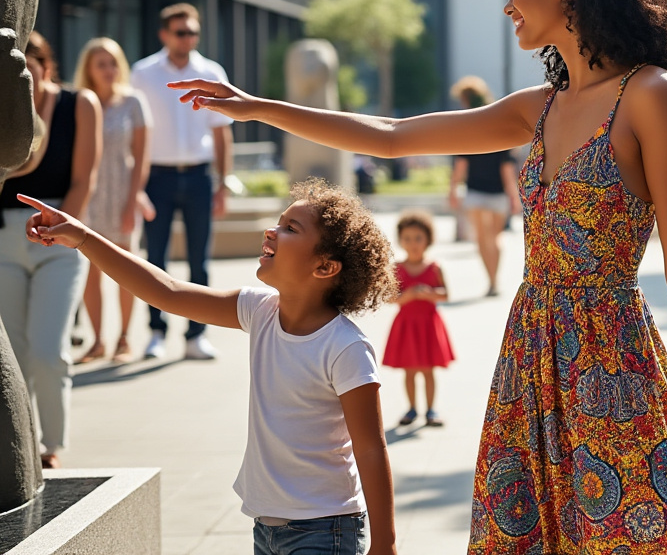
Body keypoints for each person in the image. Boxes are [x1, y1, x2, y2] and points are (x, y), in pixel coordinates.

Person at [167, 0, 667, 553]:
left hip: (611, 362)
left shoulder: (649, 95)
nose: (507, 3)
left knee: (637, 534)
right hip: (529, 355)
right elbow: (392, 135)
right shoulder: (538, 106)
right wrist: (259, 107)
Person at [20, 179, 397, 554]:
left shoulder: (345, 346)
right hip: (266, 527)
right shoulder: (259, 311)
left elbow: (370, 449)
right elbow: (164, 291)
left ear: (325, 267)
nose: (272, 230)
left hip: (325, 530)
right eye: (279, 221)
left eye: (290, 228)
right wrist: (84, 237)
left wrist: (385, 543)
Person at [0, 32, 102, 469]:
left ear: (45, 63)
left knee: (48, 349)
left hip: (59, 230)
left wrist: (65, 232)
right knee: (14, 354)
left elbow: (84, 178)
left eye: (33, 60)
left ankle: (51, 446)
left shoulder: (79, 104)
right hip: (4, 234)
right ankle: (20, 447)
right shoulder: (6, 108)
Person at [131, 3, 233, 362]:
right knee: (154, 258)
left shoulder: (211, 71)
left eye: (192, 32)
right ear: (164, 35)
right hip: (156, 176)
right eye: (180, 32)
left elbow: (222, 135)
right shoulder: (141, 73)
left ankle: (196, 335)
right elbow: (134, 132)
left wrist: (223, 185)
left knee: (198, 260)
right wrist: (137, 186)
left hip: (199, 176)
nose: (187, 38)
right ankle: (156, 333)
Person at [74, 37, 154, 364]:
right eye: (101, 64)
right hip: (88, 197)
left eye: (113, 63)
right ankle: (97, 342)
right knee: (90, 271)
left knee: (125, 269)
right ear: (88, 69)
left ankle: (124, 339)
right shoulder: (80, 101)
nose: (108, 70)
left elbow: (141, 157)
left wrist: (132, 200)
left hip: (121, 194)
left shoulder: (134, 102)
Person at [447, 76, 521, 297]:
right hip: (498, 192)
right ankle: (494, 281)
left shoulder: (467, 127)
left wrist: (452, 189)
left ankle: (491, 281)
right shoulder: (498, 125)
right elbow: (506, 166)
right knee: (495, 238)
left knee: (482, 238)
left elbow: (461, 165)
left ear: (466, 99)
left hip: (476, 191)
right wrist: (513, 196)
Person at [383, 211, 452, 428]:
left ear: (428, 240)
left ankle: (431, 409)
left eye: (418, 238)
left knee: (428, 369)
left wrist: (428, 293)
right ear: (400, 241)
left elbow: (445, 294)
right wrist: (409, 296)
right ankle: (412, 408)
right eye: (407, 239)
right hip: (407, 324)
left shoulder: (435, 267)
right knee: (409, 370)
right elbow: (391, 298)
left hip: (428, 323)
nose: (413, 244)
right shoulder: (397, 269)